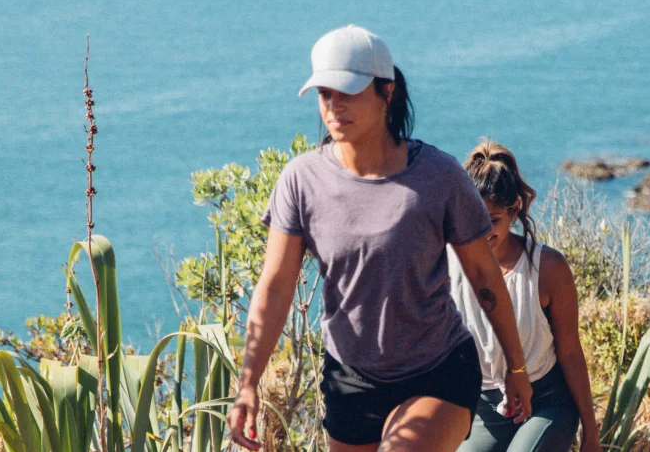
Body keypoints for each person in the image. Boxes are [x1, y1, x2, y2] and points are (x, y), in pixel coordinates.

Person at [228, 25, 534, 452]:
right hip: (350, 381)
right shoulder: (301, 180)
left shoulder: (438, 176)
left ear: (386, 92)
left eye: (347, 93)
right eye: (324, 95)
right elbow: (275, 288)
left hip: (437, 371)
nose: (333, 107)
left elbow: (484, 275)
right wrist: (248, 385)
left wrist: (515, 368)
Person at [447, 141, 602, 452]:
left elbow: (570, 351)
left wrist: (591, 432)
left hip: (546, 403)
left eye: (491, 221)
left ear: (514, 209)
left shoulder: (548, 268)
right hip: (482, 410)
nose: (479, 232)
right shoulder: (445, 261)